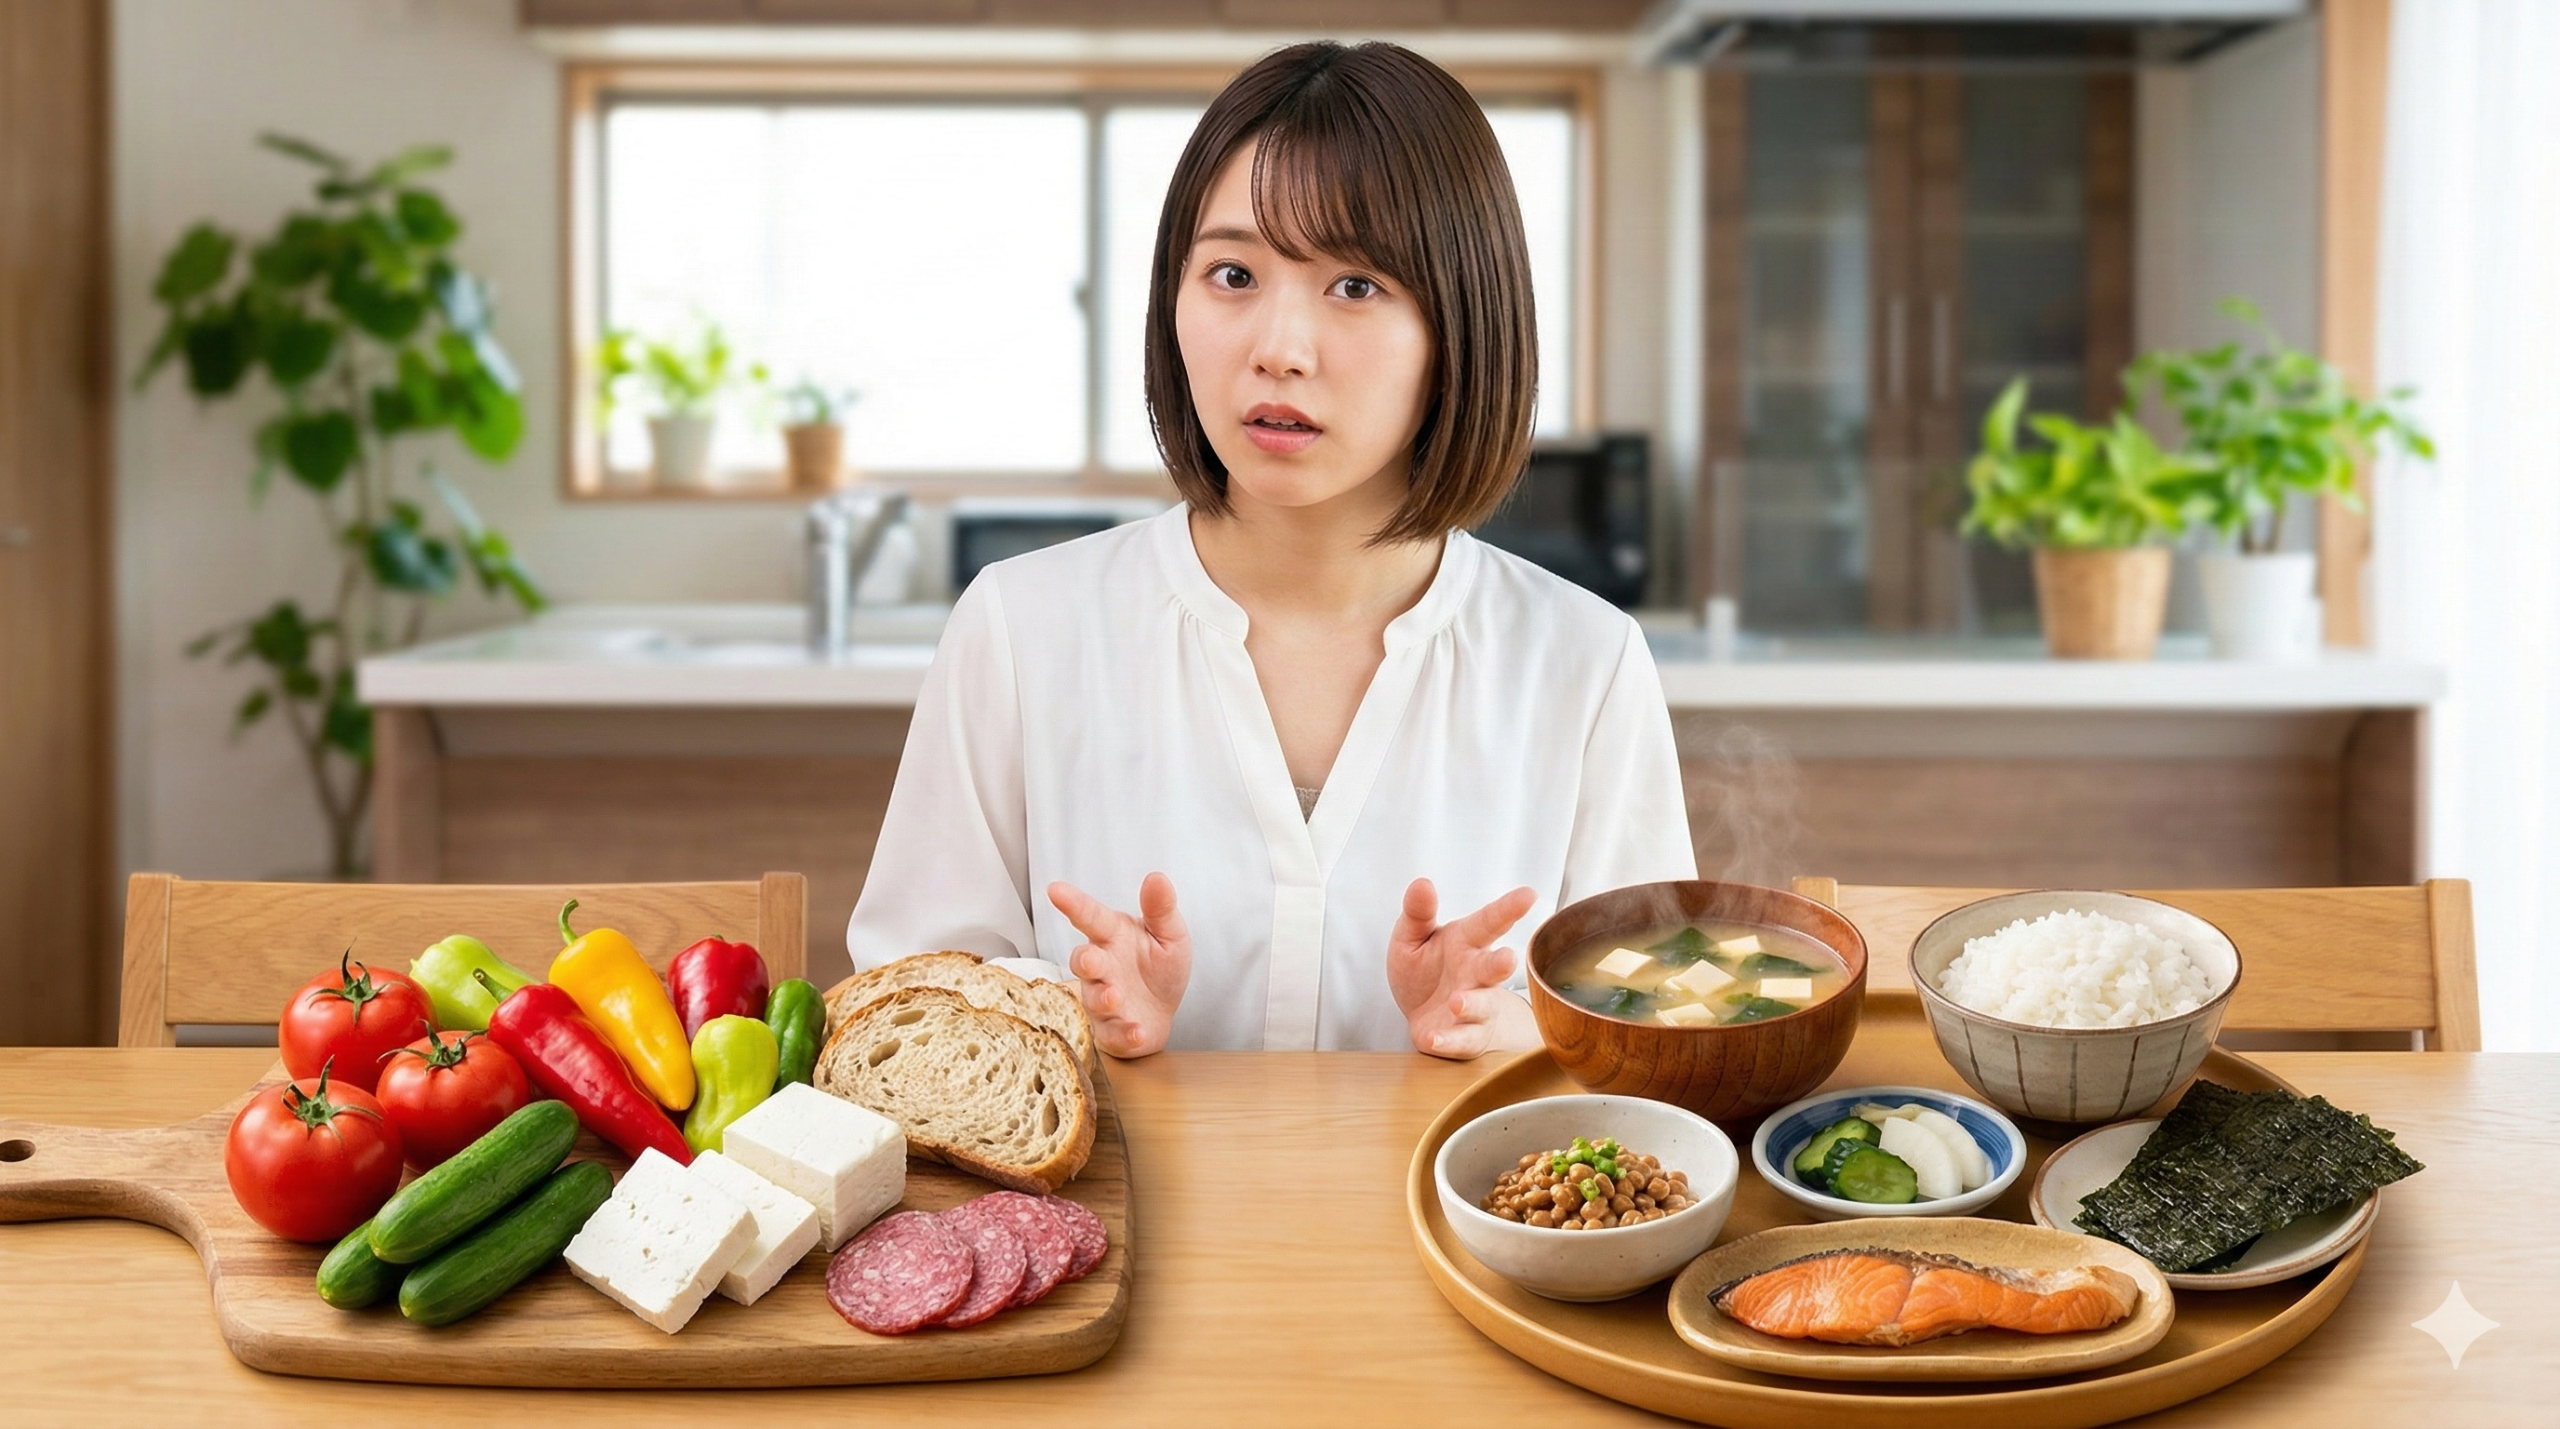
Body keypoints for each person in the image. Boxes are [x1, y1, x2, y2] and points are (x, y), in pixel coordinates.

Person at [846, 40, 1695, 1058]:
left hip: (1453, 1220)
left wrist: (1521, 1042)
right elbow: (911, 1003)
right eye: (1233, 272)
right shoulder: (1020, 628)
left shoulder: (1584, 662)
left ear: (1464, 323)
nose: (1278, 348)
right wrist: (1073, 1020)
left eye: (1355, 285)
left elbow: (1652, 1050)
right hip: (1116, 1218)